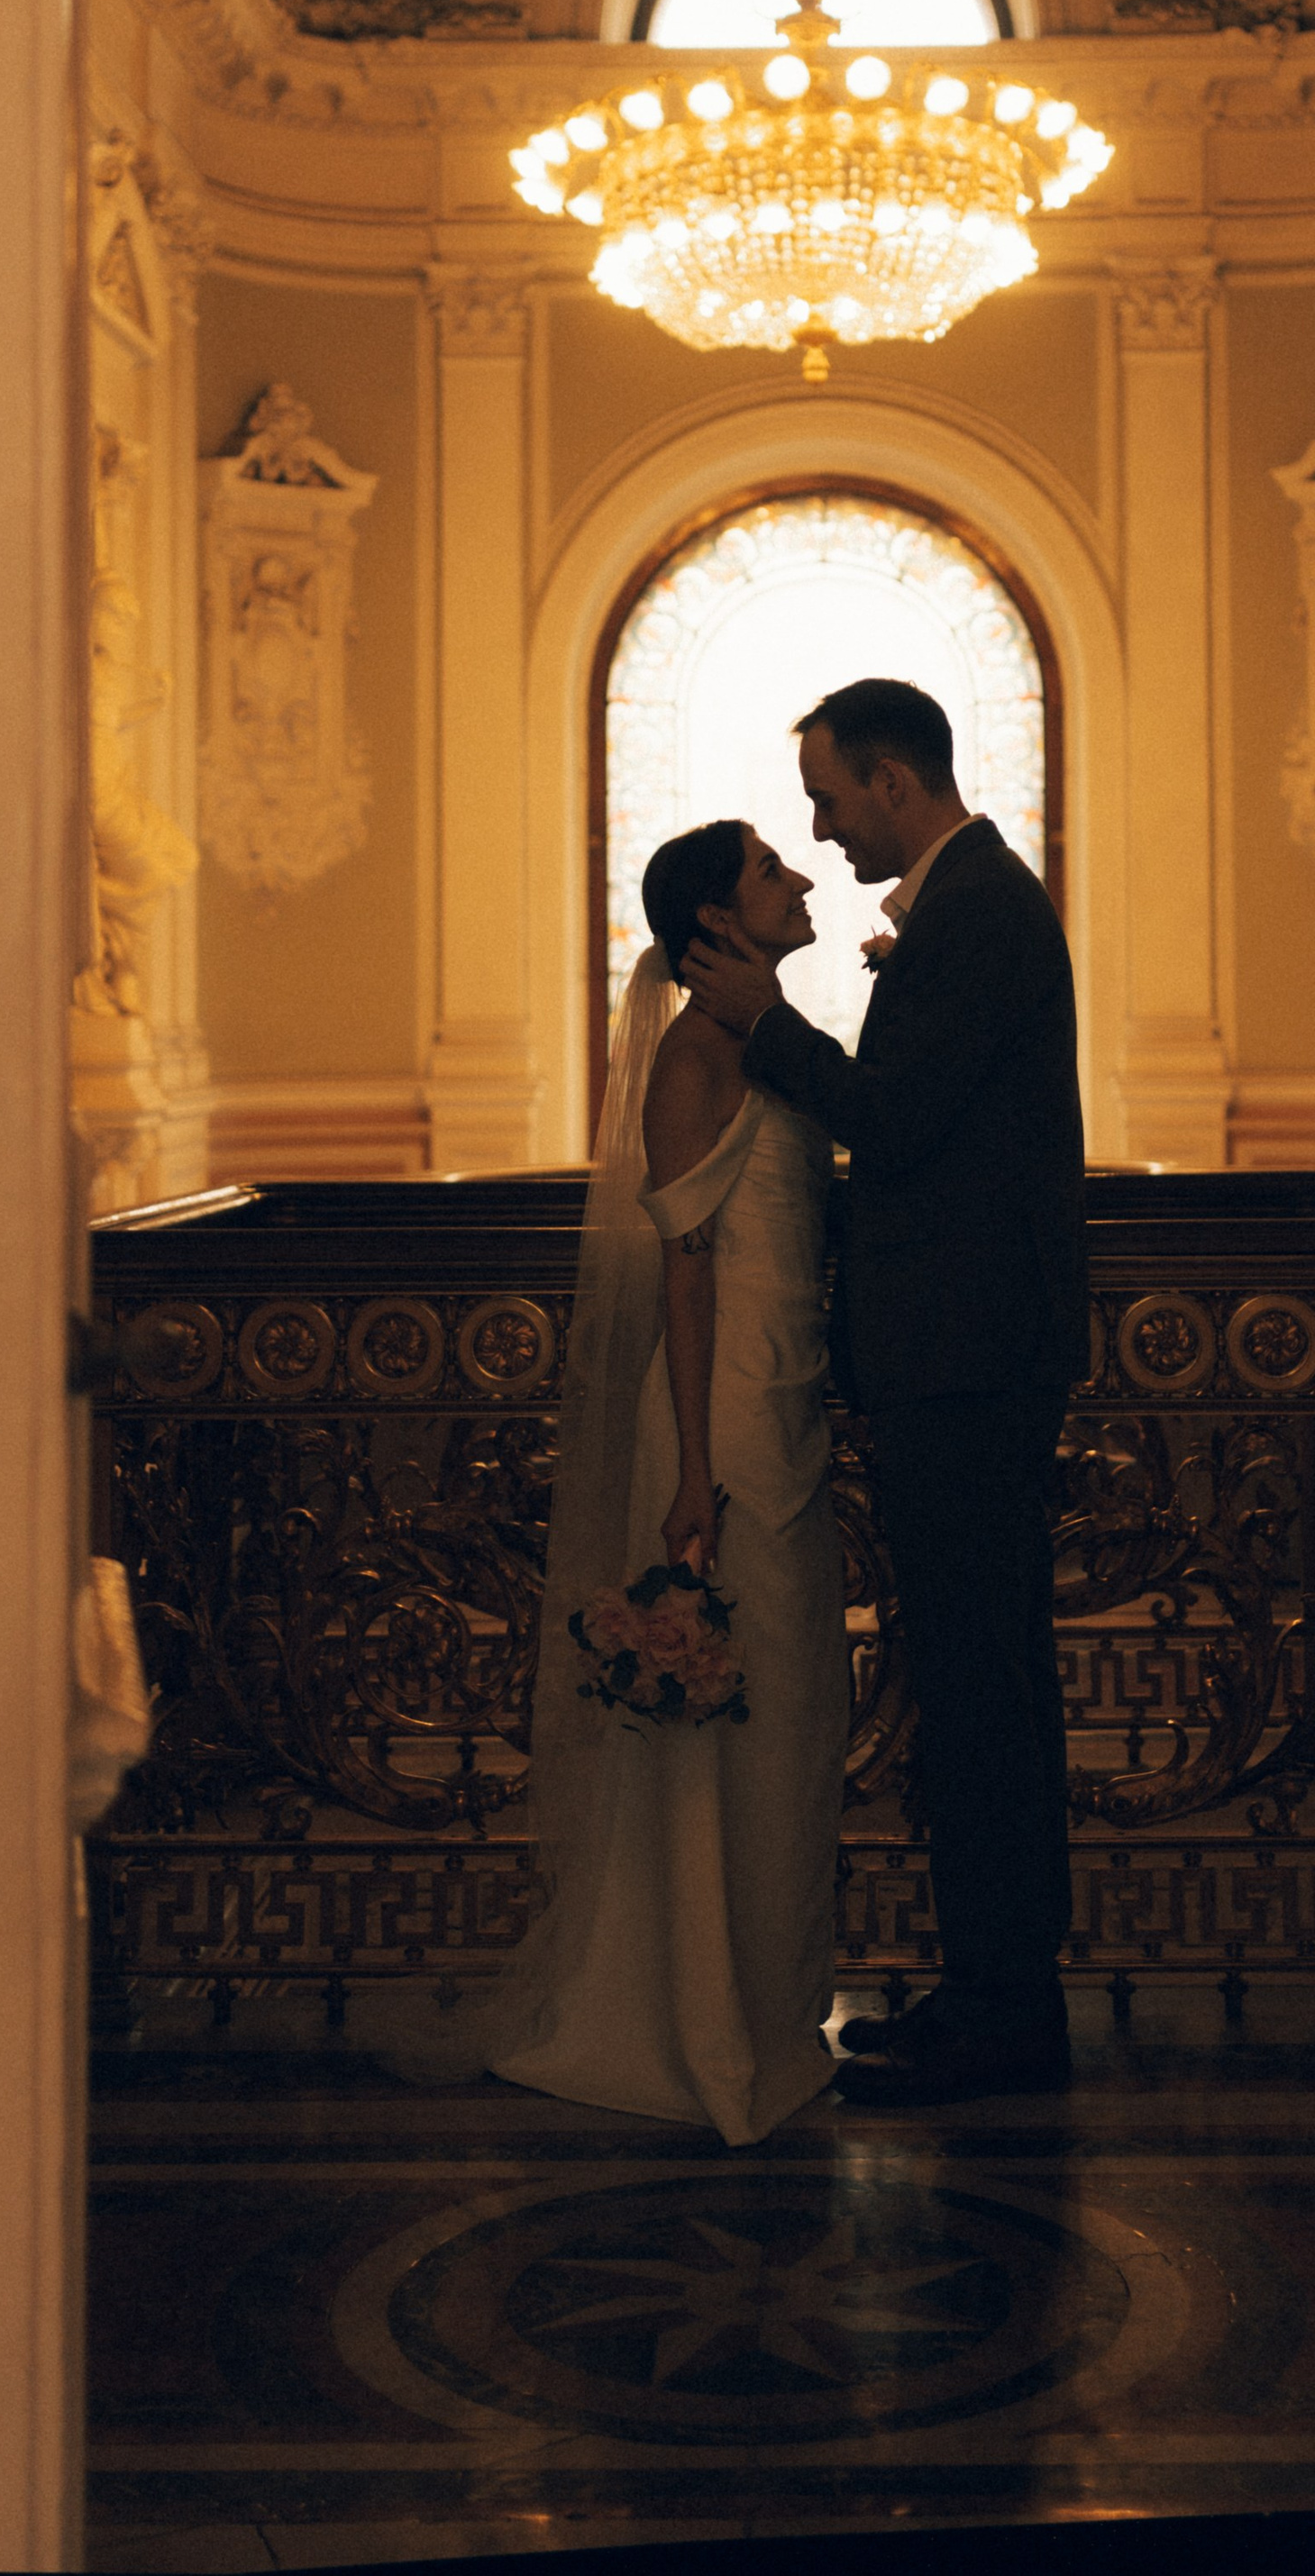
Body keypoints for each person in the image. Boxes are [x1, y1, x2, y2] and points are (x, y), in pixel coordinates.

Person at [683, 676, 1084, 2106]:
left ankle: (1005, 2011)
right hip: (959, 1358)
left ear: (895, 785)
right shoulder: (972, 898)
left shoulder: (976, 908)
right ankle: (989, 1991)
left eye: (829, 798)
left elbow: (900, 1121)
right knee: (972, 1680)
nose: (820, 826)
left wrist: (769, 1022)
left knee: (981, 1687)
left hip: (971, 1363)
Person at [476, 820, 846, 2146]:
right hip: (721, 1429)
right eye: (769, 872)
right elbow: (687, 1276)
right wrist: (693, 1473)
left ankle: (767, 2010)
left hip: (781, 1410)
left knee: (794, 1722)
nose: (799, 879)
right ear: (715, 923)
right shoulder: (695, 1061)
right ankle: (700, 2029)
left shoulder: (770, 1053)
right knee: (732, 1728)